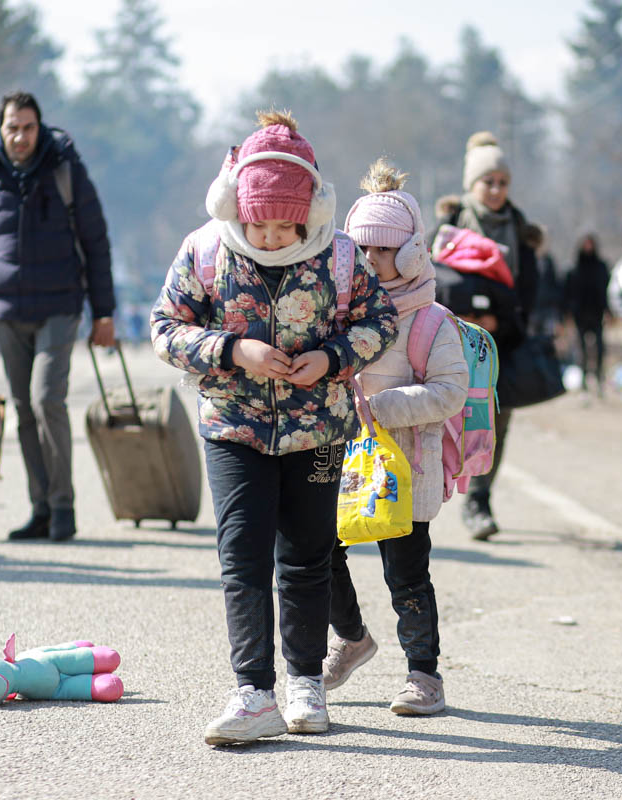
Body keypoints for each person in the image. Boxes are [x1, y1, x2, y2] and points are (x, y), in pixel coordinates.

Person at [151, 111, 398, 745]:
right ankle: (253, 692)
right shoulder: (205, 249)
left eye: (282, 225)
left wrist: (333, 358)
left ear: (309, 214)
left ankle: (306, 684)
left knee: (308, 557)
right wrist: (233, 351)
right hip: (233, 427)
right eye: (257, 223)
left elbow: (381, 322)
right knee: (242, 556)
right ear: (235, 206)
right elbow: (165, 329)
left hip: (319, 431)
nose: (267, 236)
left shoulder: (340, 256)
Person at [324, 160, 467, 716]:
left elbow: (449, 391)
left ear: (410, 252)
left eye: (383, 250)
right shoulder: (339, 312)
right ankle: (351, 637)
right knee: (317, 551)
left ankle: (423, 674)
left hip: (406, 468)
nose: (371, 261)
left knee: (406, 574)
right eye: (362, 249)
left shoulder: (431, 321)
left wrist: (380, 408)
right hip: (344, 463)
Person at [0, 91, 116, 542]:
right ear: (1, 129)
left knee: (47, 400)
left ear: (39, 127)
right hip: (6, 311)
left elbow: (96, 241)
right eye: (12, 128)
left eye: (28, 127)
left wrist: (104, 313)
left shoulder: (66, 169)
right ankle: (40, 508)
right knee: (23, 409)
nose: (20, 136)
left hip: (60, 306)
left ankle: (63, 507)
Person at [433, 131, 542, 540]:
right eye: (488, 181)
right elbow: (427, 278)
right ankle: (431, 489)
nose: (496, 190)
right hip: (450, 340)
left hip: (502, 344)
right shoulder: (450, 225)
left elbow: (528, 292)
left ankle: (479, 500)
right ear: (471, 184)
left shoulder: (521, 230)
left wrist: (503, 324)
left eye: (503, 182)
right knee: (443, 417)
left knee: (495, 421)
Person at [565, 233, 610, 395]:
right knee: (581, 348)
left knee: (599, 347)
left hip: (597, 313)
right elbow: (568, 292)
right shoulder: (574, 268)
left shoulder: (601, 267)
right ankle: (583, 379)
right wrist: (568, 313)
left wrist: (608, 310)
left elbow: (606, 290)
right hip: (580, 314)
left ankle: (599, 377)